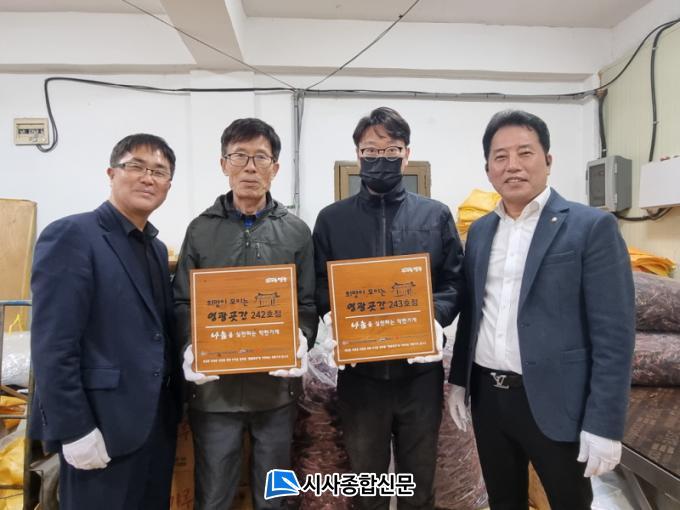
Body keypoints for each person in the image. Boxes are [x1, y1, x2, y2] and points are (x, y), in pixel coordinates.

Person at [448, 109, 635, 510]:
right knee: (504, 501)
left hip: (557, 401)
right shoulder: (480, 231)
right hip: (489, 399)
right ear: (488, 169)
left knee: (569, 502)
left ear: (548, 160)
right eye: (500, 156)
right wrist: (460, 380)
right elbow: (474, 312)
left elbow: (614, 336)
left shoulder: (590, 227)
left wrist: (605, 424)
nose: (512, 165)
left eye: (525, 152)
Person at [313, 106, 465, 509]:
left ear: (406, 154)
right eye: (370, 151)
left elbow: (454, 281)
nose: (380, 159)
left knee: (419, 485)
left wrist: (435, 318)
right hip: (360, 378)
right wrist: (332, 320)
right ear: (357, 155)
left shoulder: (435, 216)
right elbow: (319, 284)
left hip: (420, 377)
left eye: (391, 150)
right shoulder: (331, 220)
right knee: (369, 486)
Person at [30, 133, 183, 509]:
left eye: (159, 171)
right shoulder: (73, 235)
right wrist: (74, 429)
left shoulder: (154, 248)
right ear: (111, 173)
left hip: (154, 427)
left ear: (168, 185)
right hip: (100, 428)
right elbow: (53, 344)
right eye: (136, 166)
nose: (148, 178)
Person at [173, 118, 317, 510]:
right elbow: (183, 301)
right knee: (214, 496)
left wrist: (302, 338)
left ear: (275, 167)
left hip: (276, 393)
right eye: (239, 156)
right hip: (214, 394)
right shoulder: (201, 230)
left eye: (260, 157)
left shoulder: (296, 232)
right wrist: (189, 346)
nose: (250, 167)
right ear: (224, 164)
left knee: (276, 497)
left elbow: (307, 304)